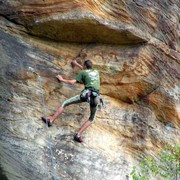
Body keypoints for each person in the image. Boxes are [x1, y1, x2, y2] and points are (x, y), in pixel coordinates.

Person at [42, 59, 100, 143]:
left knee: (65, 103)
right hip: (96, 97)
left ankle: (51, 120)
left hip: (86, 94)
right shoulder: (96, 72)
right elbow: (85, 70)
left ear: (84, 66)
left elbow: (73, 81)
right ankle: (78, 135)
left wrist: (62, 80)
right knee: (91, 118)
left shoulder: (83, 72)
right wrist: (76, 64)